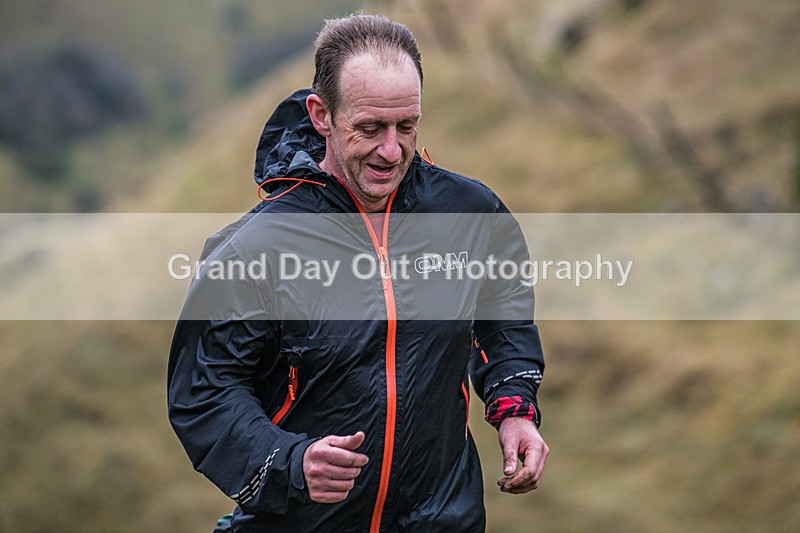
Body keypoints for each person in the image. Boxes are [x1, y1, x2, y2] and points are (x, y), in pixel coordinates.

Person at [168, 14, 548, 532]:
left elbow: (502, 316)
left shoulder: (470, 213)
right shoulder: (252, 249)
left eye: (406, 126)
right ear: (321, 115)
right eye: (369, 129)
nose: (391, 150)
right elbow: (206, 393)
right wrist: (290, 462)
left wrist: (514, 407)